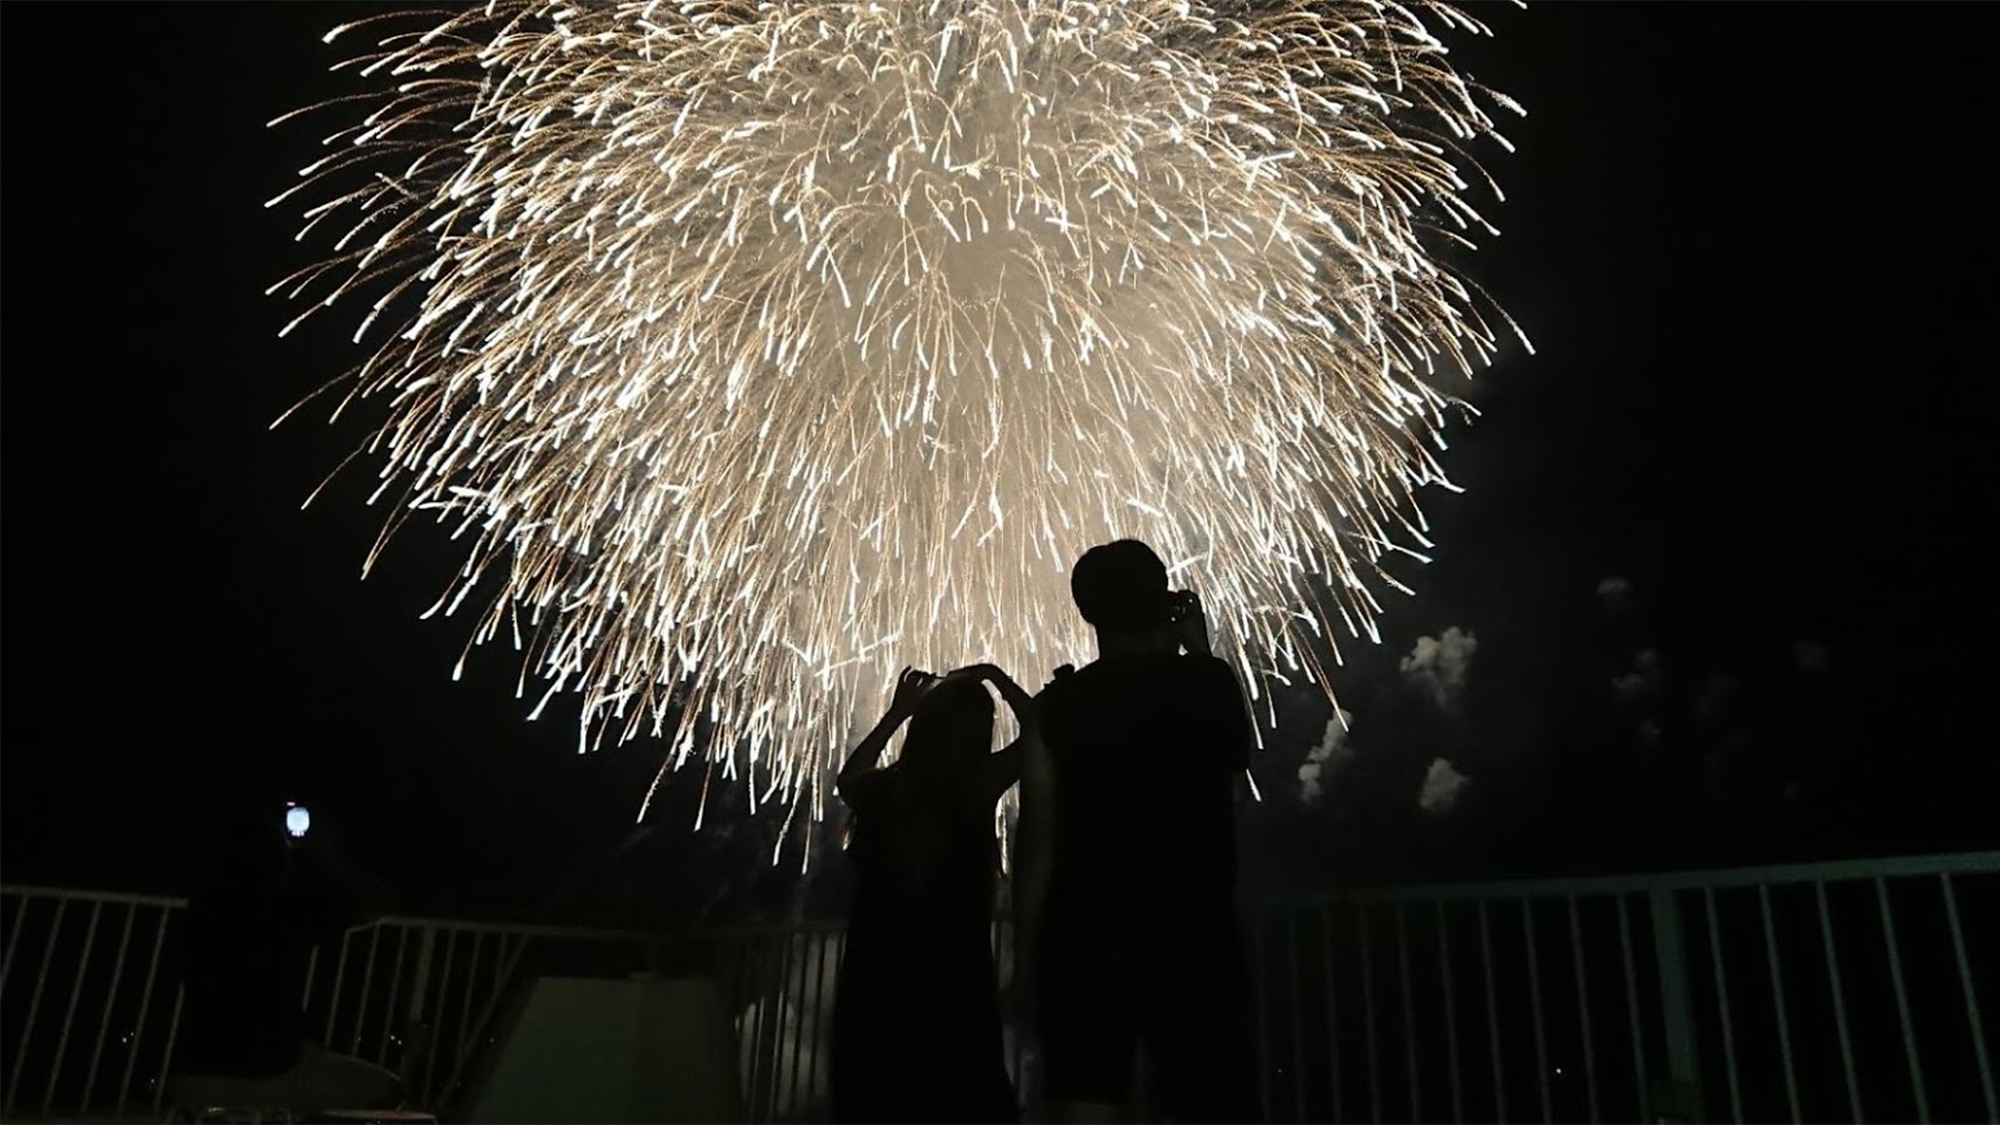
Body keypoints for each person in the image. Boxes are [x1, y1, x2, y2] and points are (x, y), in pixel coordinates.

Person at [1015, 539, 1259, 1123]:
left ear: (1086, 612)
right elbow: (1238, 756)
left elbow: (1037, 843)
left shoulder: (1054, 708)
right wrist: (1196, 650)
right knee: (1206, 1104)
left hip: (1085, 942)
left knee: (1086, 1107)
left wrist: (1026, 961)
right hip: (1194, 936)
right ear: (1162, 599)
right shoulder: (1207, 684)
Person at [830, 664, 1033, 1124]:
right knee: (959, 1095)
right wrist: (995, 677)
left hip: (876, 978)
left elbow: (850, 776)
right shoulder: (977, 788)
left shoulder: (882, 792)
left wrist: (897, 713)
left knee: (877, 1096)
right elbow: (1040, 725)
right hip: (954, 980)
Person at [171, 804, 405, 1113]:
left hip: (192, 1072)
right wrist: (327, 856)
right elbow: (381, 902)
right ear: (277, 865)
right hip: (272, 1070)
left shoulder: (197, 914)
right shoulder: (285, 915)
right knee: (389, 1090)